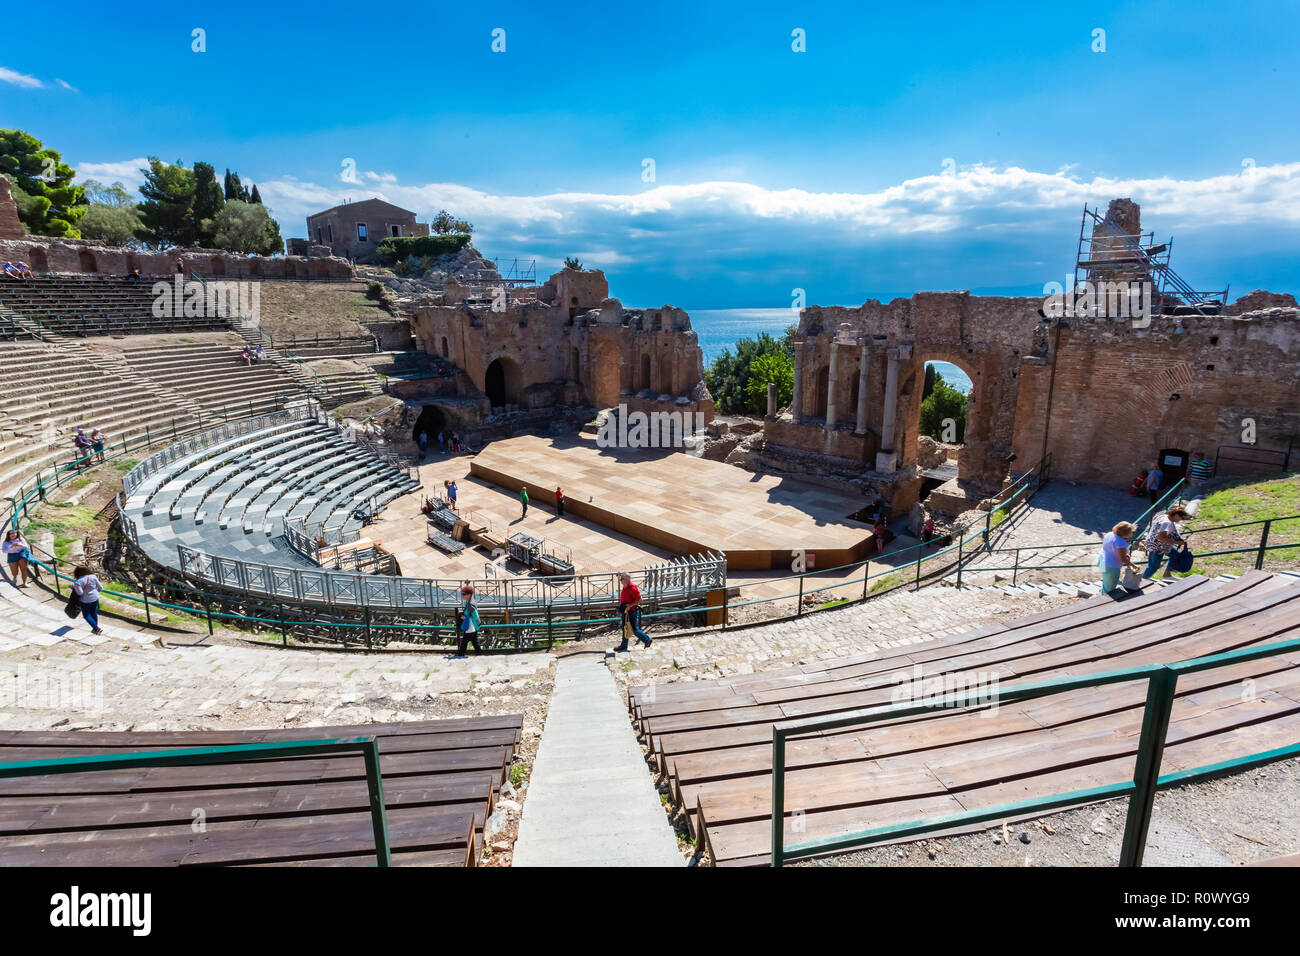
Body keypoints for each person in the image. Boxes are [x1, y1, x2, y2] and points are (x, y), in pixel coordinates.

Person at [1142, 506, 1191, 580]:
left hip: (1163, 545)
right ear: (1176, 515)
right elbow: (1160, 537)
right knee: (1154, 566)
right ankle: (1143, 580)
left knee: (1176, 556)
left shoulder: (1164, 516)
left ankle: (1167, 575)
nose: (1181, 520)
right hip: (1157, 547)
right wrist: (1176, 542)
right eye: (1182, 518)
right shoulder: (1166, 523)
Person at [614, 572, 652, 651]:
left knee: (634, 629)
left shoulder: (632, 588)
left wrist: (630, 605)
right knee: (625, 628)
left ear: (626, 580)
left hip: (631, 611)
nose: (620, 581)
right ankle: (624, 646)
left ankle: (647, 640)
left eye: (621, 579)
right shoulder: (625, 586)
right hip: (626, 611)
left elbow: (640, 599)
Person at [1099, 521, 1140, 593]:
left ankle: (1102, 593)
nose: (1131, 534)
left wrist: (1124, 553)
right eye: (1130, 532)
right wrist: (1133, 566)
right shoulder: (1120, 541)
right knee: (1109, 590)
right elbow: (1123, 559)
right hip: (1111, 567)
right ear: (1126, 533)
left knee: (1106, 584)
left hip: (1102, 560)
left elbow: (1111, 548)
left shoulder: (1109, 534)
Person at [72, 565, 104, 635]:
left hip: (85, 600)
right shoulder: (93, 576)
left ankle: (96, 628)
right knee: (94, 612)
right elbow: (100, 588)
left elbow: (80, 593)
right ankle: (95, 628)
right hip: (95, 597)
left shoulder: (78, 582)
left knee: (86, 615)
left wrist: (74, 589)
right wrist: (94, 592)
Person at [455, 584, 482, 655]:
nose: (462, 596)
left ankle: (460, 655)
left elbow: (475, 616)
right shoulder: (469, 601)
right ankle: (480, 654)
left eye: (464, 594)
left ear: (469, 595)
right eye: (462, 594)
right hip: (474, 626)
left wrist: (465, 617)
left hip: (471, 626)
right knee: (475, 642)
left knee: (464, 642)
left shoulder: (470, 604)